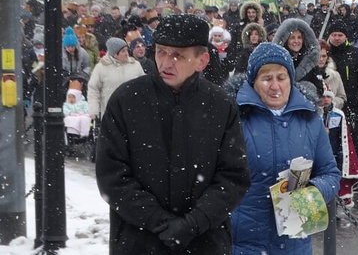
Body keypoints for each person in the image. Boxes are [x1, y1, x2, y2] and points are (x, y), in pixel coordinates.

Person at [95, 14, 251, 254]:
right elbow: (112, 177)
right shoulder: (126, 101)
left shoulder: (220, 105)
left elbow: (233, 177)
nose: (166, 63)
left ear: (202, 60)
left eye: (178, 55)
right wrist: (161, 222)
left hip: (204, 243)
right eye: (161, 52)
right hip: (139, 242)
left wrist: (194, 223)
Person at [231, 43, 340, 254]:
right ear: (253, 82)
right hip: (246, 244)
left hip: (295, 244)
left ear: (291, 79)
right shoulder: (234, 118)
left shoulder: (310, 119)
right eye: (266, 78)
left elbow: (329, 173)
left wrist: (311, 193)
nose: (275, 86)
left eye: (281, 78)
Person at [327, 20, 358, 170]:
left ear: (345, 37)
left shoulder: (355, 54)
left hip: (350, 104)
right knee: (330, 140)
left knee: (352, 139)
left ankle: (355, 172)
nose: (337, 38)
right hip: (329, 104)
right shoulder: (324, 54)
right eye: (334, 35)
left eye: (340, 35)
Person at [320, 88, 358, 209]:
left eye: (328, 97)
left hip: (335, 152)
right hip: (321, 152)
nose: (325, 100)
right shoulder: (316, 115)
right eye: (323, 97)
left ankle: (336, 206)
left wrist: (341, 154)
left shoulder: (338, 115)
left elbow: (344, 137)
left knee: (338, 180)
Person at [87, 37, 146, 119]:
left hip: (133, 113)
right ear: (114, 54)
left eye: (126, 50)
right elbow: (93, 90)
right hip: (111, 114)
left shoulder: (135, 65)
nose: (127, 53)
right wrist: (93, 111)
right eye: (123, 51)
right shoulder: (101, 67)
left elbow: (144, 87)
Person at [314, 39, 347, 110]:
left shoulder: (335, 75)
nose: (321, 59)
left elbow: (342, 98)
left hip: (331, 116)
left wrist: (331, 102)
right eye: (318, 56)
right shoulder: (304, 75)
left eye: (324, 56)